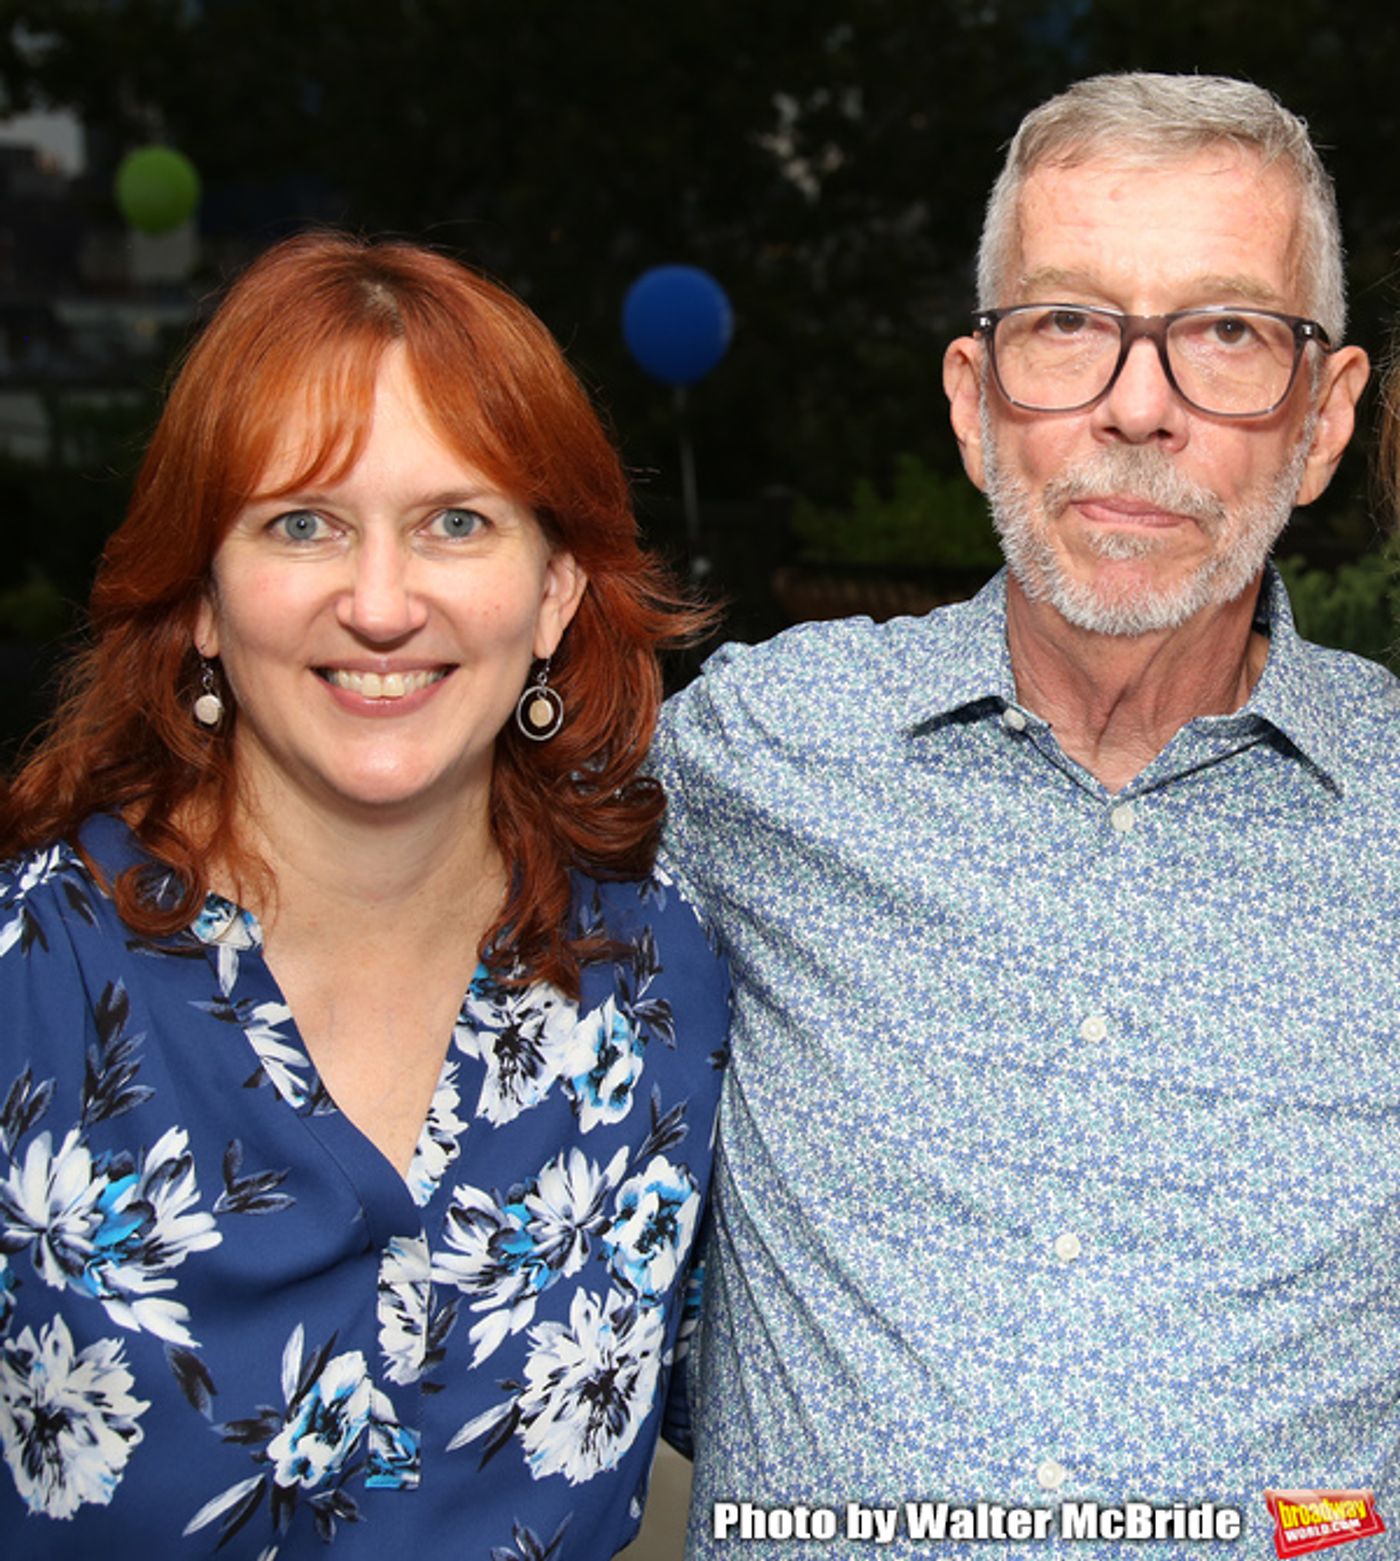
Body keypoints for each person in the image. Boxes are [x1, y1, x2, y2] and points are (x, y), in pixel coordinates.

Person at [652, 74, 1397, 1556]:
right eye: (1067, 324)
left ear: (1321, 423)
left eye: (1228, 332)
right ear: (974, 405)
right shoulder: (753, 754)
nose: (1137, 405)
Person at [0, 233, 728, 1559]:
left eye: (457, 520)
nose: (380, 603)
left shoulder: (664, 973)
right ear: (205, 597)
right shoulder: (25, 984)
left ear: (555, 586)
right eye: (301, 523)